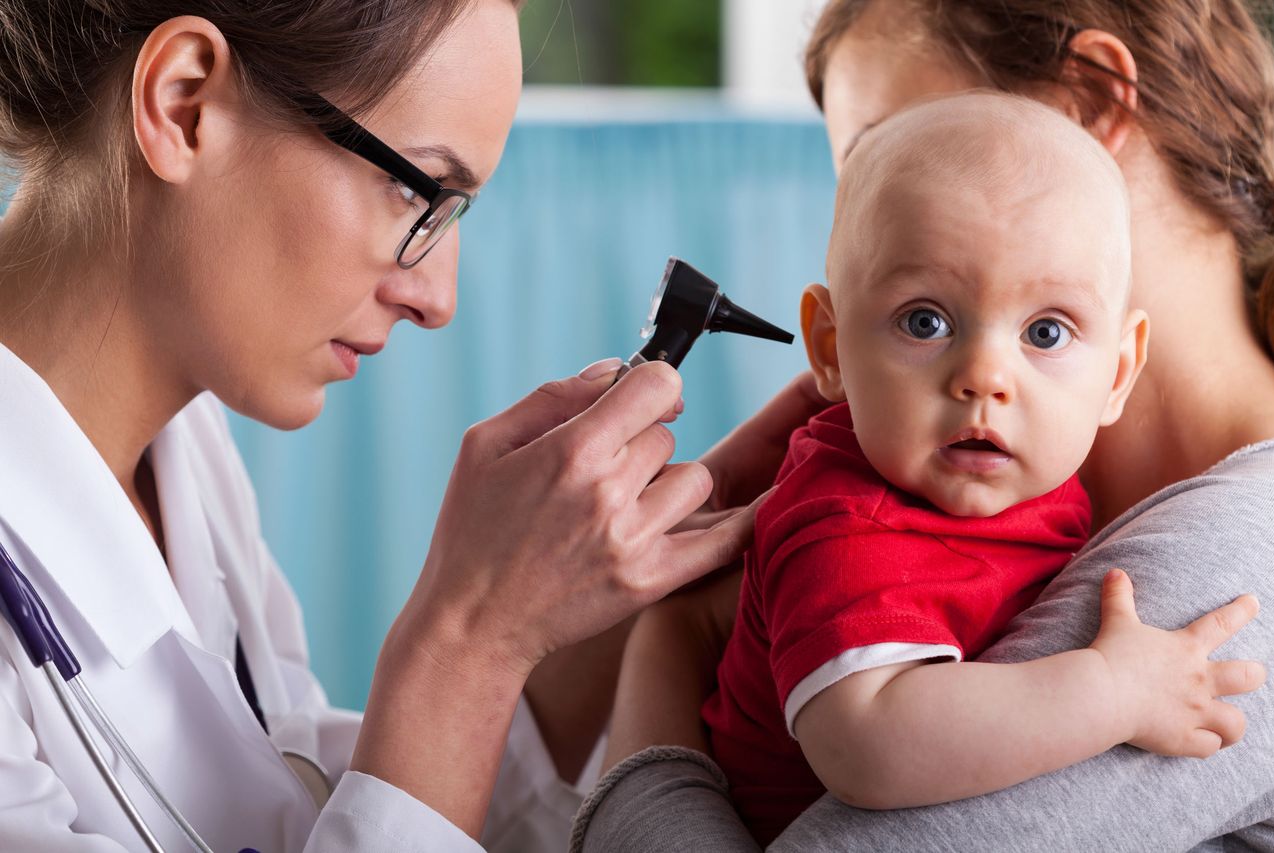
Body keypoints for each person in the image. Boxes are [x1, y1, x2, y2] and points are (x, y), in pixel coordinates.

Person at [0, 1, 814, 850]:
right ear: (184, 103)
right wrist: (470, 638)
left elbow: (315, 802)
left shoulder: (184, 455)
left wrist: (578, 620)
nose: (437, 300)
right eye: (415, 190)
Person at [570, 1, 1274, 850]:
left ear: (1088, 103)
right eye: (923, 319)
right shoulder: (930, 502)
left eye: (884, 143)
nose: (981, 376)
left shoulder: (1238, 565)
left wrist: (667, 652)